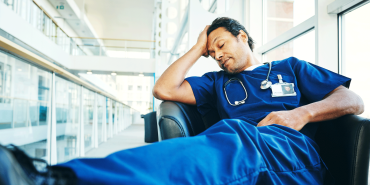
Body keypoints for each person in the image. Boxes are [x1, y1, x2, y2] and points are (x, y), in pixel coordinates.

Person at [0, 17, 364, 185]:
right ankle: (59, 176)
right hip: (237, 142)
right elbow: (164, 89)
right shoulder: (215, 83)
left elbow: (352, 99)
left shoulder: (290, 67)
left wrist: (299, 115)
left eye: (221, 45)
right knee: (211, 148)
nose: (218, 55)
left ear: (243, 37)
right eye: (212, 52)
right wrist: (197, 47)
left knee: (230, 144)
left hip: (292, 153)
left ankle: (55, 180)